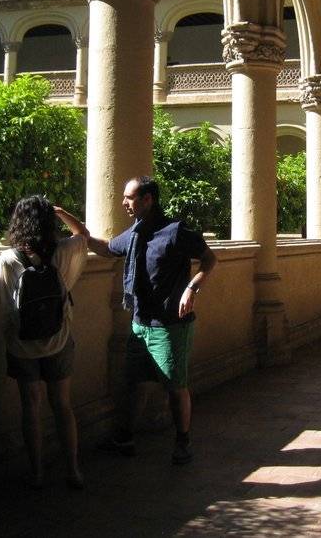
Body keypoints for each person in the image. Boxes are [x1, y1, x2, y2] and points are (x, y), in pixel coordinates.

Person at [84, 176, 217, 465]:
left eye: (129, 197)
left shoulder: (175, 231)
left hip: (170, 326)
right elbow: (107, 248)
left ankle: (183, 442)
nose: (123, 203)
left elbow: (209, 258)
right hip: (140, 323)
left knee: (175, 387)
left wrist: (192, 288)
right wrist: (79, 233)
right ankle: (125, 438)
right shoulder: (134, 233)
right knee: (135, 383)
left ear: (148, 199)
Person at [0, 196, 88, 489]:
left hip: (23, 345)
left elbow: (1, 307)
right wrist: (60, 212)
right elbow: (83, 234)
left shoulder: (9, 259)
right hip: (58, 338)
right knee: (62, 405)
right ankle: (72, 469)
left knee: (31, 407)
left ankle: (37, 473)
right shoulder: (63, 252)